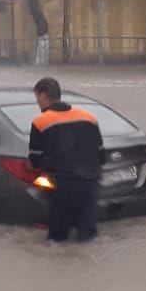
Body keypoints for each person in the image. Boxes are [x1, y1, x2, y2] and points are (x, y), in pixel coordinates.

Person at [29, 77, 105, 242]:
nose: (37, 103)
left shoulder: (40, 122)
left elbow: (35, 160)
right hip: (90, 185)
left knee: (57, 239)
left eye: (37, 98)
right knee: (88, 237)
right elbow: (101, 154)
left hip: (63, 187)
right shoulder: (89, 117)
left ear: (43, 96)